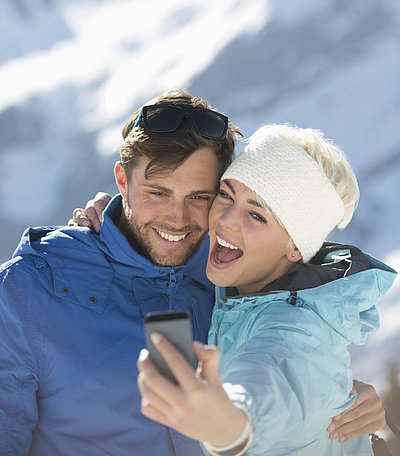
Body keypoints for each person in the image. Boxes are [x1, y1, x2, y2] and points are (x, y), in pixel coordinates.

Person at [0, 90, 385, 456]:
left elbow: (279, 368)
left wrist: (328, 393)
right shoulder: (26, 292)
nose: (178, 219)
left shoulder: (226, 277)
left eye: (200, 196)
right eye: (157, 192)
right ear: (122, 182)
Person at [135, 123, 397, 455]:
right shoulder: (241, 281)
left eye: (257, 215)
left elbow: (273, 378)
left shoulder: (298, 335)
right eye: (226, 194)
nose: (227, 219)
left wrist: (225, 424)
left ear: (296, 248)